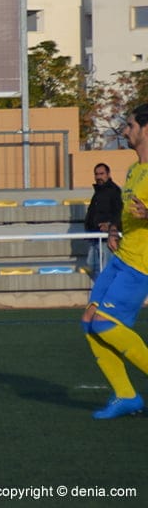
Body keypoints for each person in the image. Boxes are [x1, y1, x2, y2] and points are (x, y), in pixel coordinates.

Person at [81, 104, 148, 420]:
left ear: (145, 129)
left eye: (130, 125)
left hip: (140, 266)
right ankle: (126, 396)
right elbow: (130, 212)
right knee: (89, 323)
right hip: (121, 258)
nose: (125, 131)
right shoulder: (136, 170)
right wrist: (116, 229)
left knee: (105, 324)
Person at [84, 163, 122, 276]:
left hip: (106, 238)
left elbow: (120, 212)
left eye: (102, 174)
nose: (99, 177)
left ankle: (106, 293)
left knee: (105, 271)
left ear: (108, 174)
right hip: (95, 237)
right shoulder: (98, 192)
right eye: (96, 174)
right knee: (92, 265)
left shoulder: (114, 191)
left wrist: (110, 225)